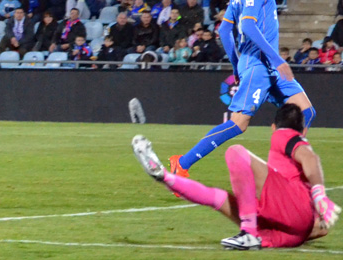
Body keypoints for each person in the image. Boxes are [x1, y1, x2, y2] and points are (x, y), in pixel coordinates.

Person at [170, 0, 315, 180]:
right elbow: (247, 26)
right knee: (239, 123)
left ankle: (286, 171)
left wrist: (237, 65)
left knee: (306, 111)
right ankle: (182, 163)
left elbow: (225, 31)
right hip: (260, 64)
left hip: (261, 65)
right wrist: (277, 59)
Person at [133, 104, 338, 250]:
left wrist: (319, 193)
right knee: (219, 198)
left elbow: (310, 158)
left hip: (289, 214)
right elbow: (320, 230)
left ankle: (248, 232)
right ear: (303, 129)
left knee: (236, 152)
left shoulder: (284, 135)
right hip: (290, 233)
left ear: (274, 128)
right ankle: (165, 176)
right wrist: (305, 222)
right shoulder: (294, 154)